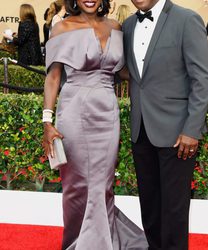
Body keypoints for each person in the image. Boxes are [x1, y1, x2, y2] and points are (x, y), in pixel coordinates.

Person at [42, 0, 148, 249]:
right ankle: (81, 241)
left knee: (103, 183)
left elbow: (122, 71)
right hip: (73, 111)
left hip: (107, 113)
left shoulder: (115, 27)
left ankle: (102, 239)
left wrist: (160, 75)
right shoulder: (62, 28)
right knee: (78, 184)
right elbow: (53, 77)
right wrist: (47, 121)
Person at [122, 0, 208, 249]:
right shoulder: (129, 25)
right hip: (141, 128)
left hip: (177, 131)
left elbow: (202, 78)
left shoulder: (186, 19)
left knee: (174, 208)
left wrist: (191, 129)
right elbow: (131, 73)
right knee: (149, 205)